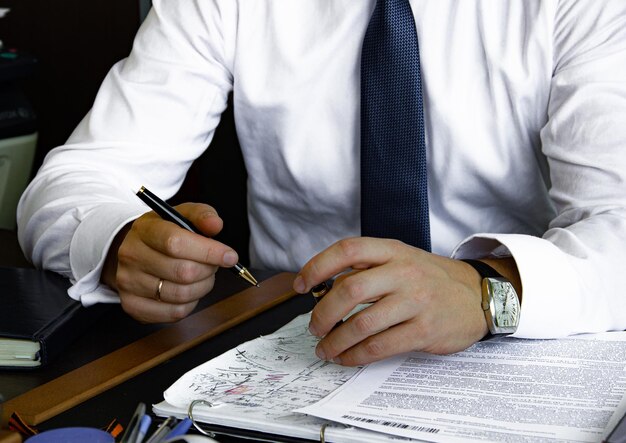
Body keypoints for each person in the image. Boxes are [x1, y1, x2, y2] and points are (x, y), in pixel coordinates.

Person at [17, 0, 626, 367]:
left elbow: (617, 220)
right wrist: (120, 239)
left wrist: (488, 290)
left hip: (518, 347)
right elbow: (76, 178)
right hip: (288, 355)